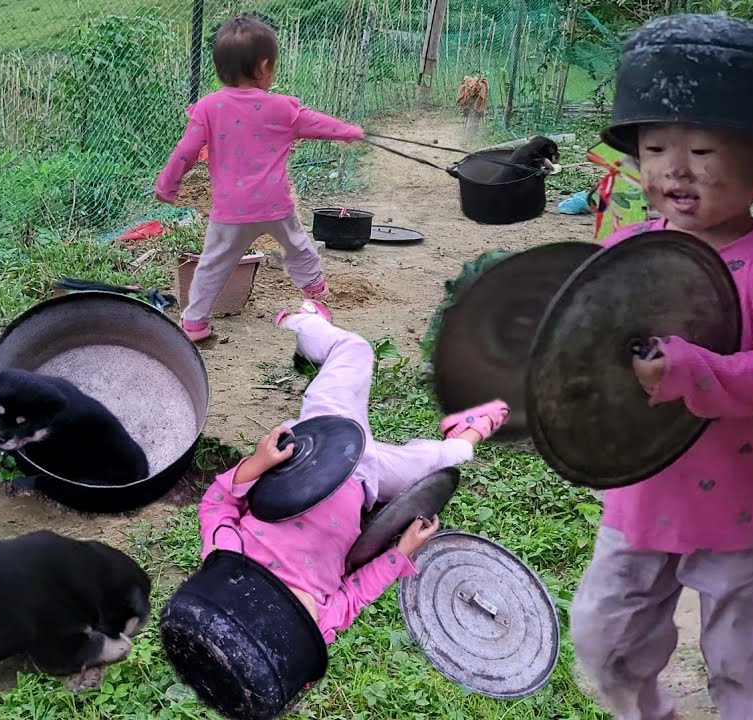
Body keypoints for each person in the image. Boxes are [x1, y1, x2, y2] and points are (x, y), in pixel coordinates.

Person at [567, 15, 753, 720]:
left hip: (737, 512)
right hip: (639, 500)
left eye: (703, 150)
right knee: (604, 643)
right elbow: (581, 337)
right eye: (655, 148)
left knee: (745, 670)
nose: (674, 169)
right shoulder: (626, 248)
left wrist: (687, 369)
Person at [198, 300, 509, 642]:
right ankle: (468, 429)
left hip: (319, 444)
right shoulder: (316, 628)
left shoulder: (228, 560)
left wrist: (258, 464)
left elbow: (216, 504)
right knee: (450, 460)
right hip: (365, 481)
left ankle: (306, 324)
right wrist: (400, 553)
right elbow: (357, 593)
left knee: (355, 349)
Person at [154, 14, 364, 342]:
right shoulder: (279, 107)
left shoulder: (208, 107)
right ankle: (316, 296)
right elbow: (315, 122)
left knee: (212, 265)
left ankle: (195, 322)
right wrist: (349, 132)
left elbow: (187, 150)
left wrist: (167, 185)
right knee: (299, 247)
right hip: (274, 205)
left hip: (230, 210)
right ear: (265, 67)